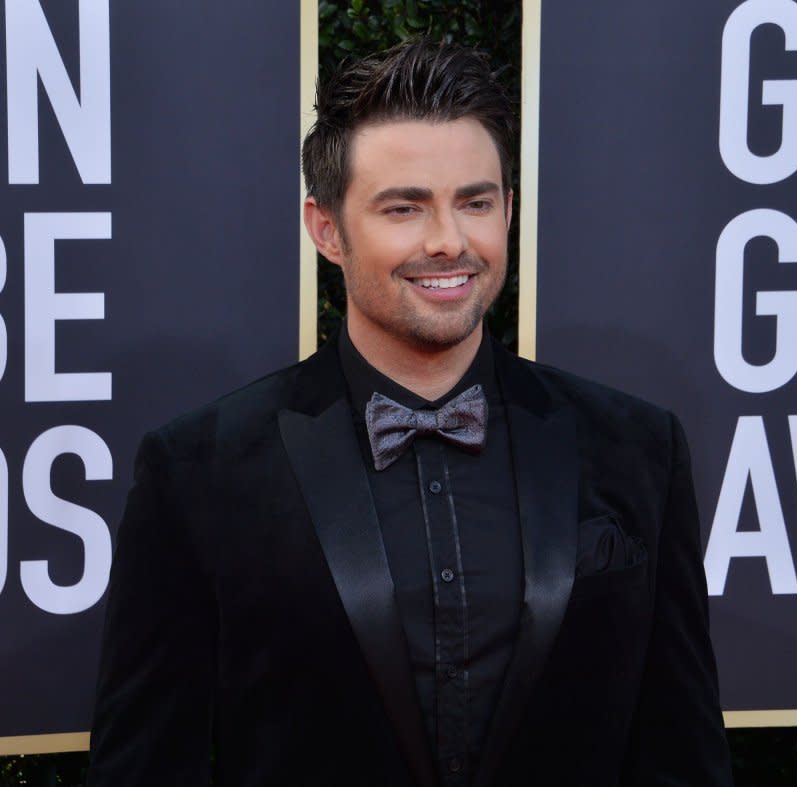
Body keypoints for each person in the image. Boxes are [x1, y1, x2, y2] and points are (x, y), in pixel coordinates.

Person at [88, 38, 732, 787]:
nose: (449, 241)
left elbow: (683, 756)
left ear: (509, 209)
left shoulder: (638, 449)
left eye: (475, 202)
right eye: (404, 207)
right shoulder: (199, 471)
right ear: (326, 228)